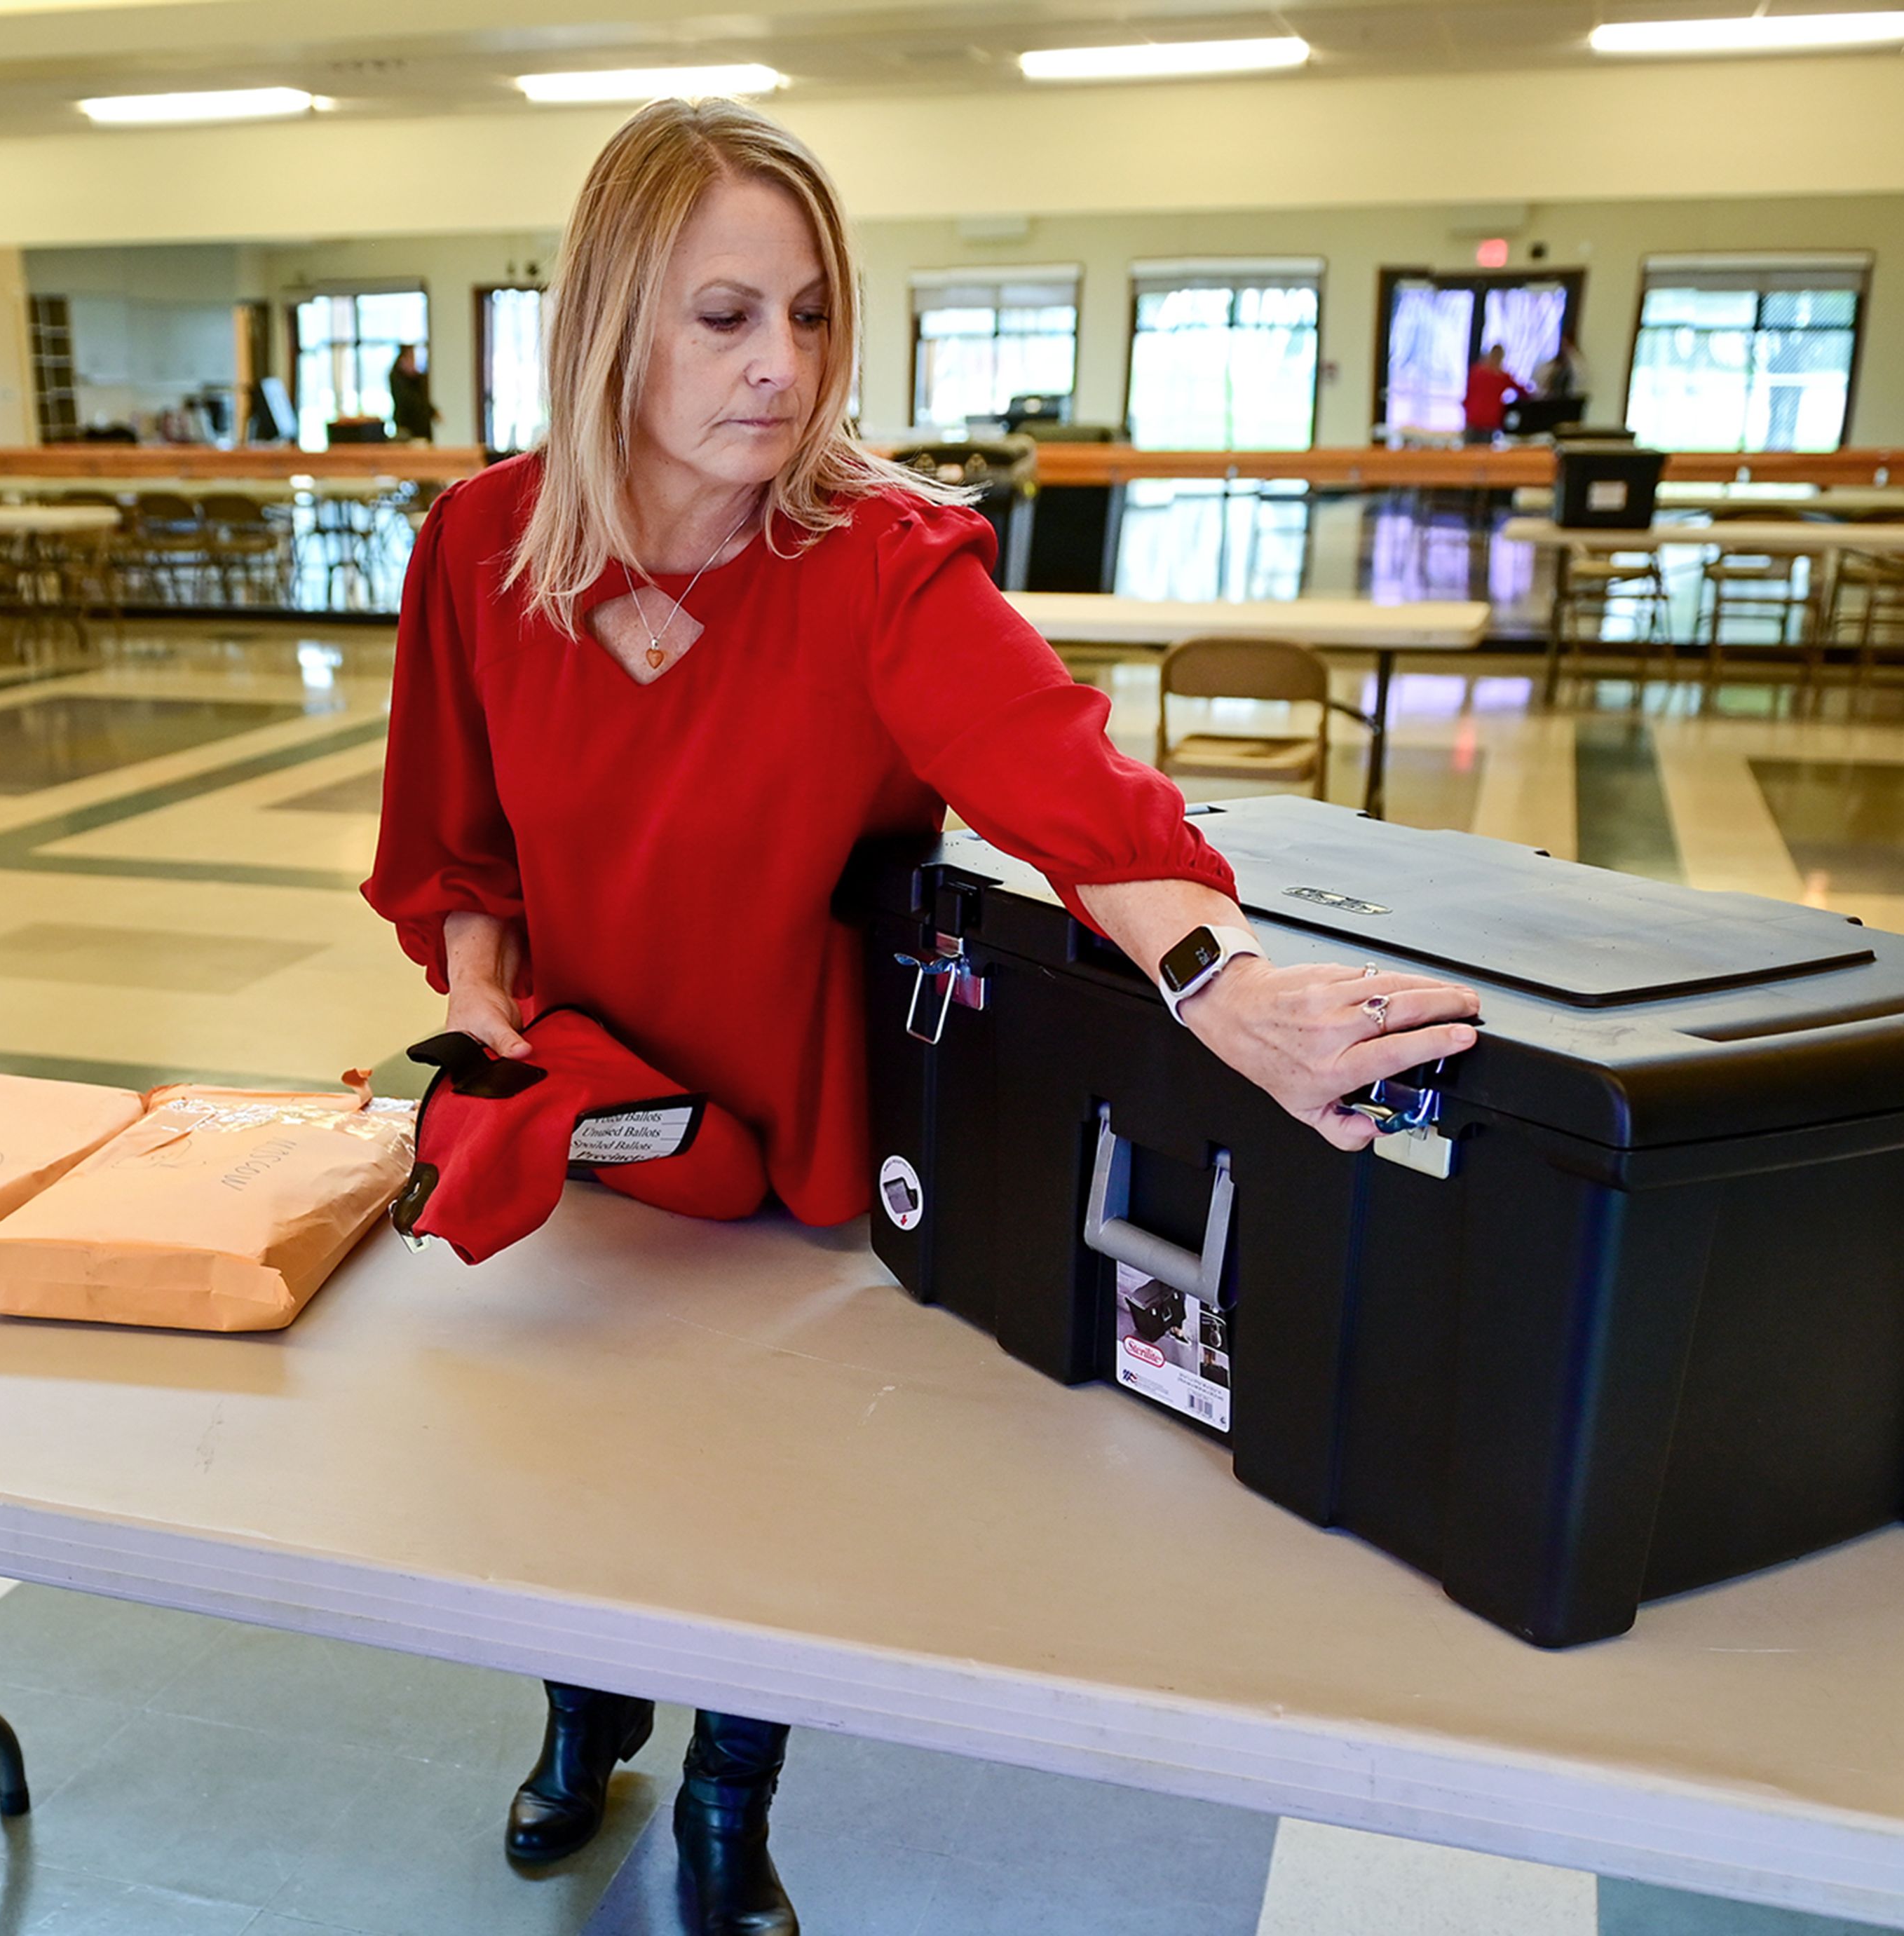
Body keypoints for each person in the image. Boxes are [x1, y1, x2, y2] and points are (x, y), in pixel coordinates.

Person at [363, 98, 1481, 1936]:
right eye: (725, 315)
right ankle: (578, 1717)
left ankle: (730, 1800)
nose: (781, 365)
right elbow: (453, 844)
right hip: (592, 1123)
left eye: (810, 312)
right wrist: (484, 1010)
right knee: (575, 1484)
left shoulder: (880, 562)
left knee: (760, 1517)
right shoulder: (485, 550)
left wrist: (1227, 985)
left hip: (809, 1136)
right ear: (612, 320)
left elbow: (1075, 790)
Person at [1462, 342, 1528, 444]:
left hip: (1475, 418)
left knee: (1469, 451)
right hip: (1489, 420)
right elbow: (1523, 392)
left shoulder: (1477, 372)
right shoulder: (1503, 377)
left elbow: (1468, 394)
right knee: (1485, 454)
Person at [388, 342, 438, 442]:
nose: (414, 363)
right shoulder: (399, 381)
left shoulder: (416, 380)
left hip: (420, 430)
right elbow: (412, 403)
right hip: (408, 430)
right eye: (411, 359)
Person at [1532, 327, 1587, 407]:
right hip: (1546, 402)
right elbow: (1537, 379)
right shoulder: (1549, 366)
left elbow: (1582, 379)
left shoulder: (1574, 366)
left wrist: (1571, 353)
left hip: (1567, 404)